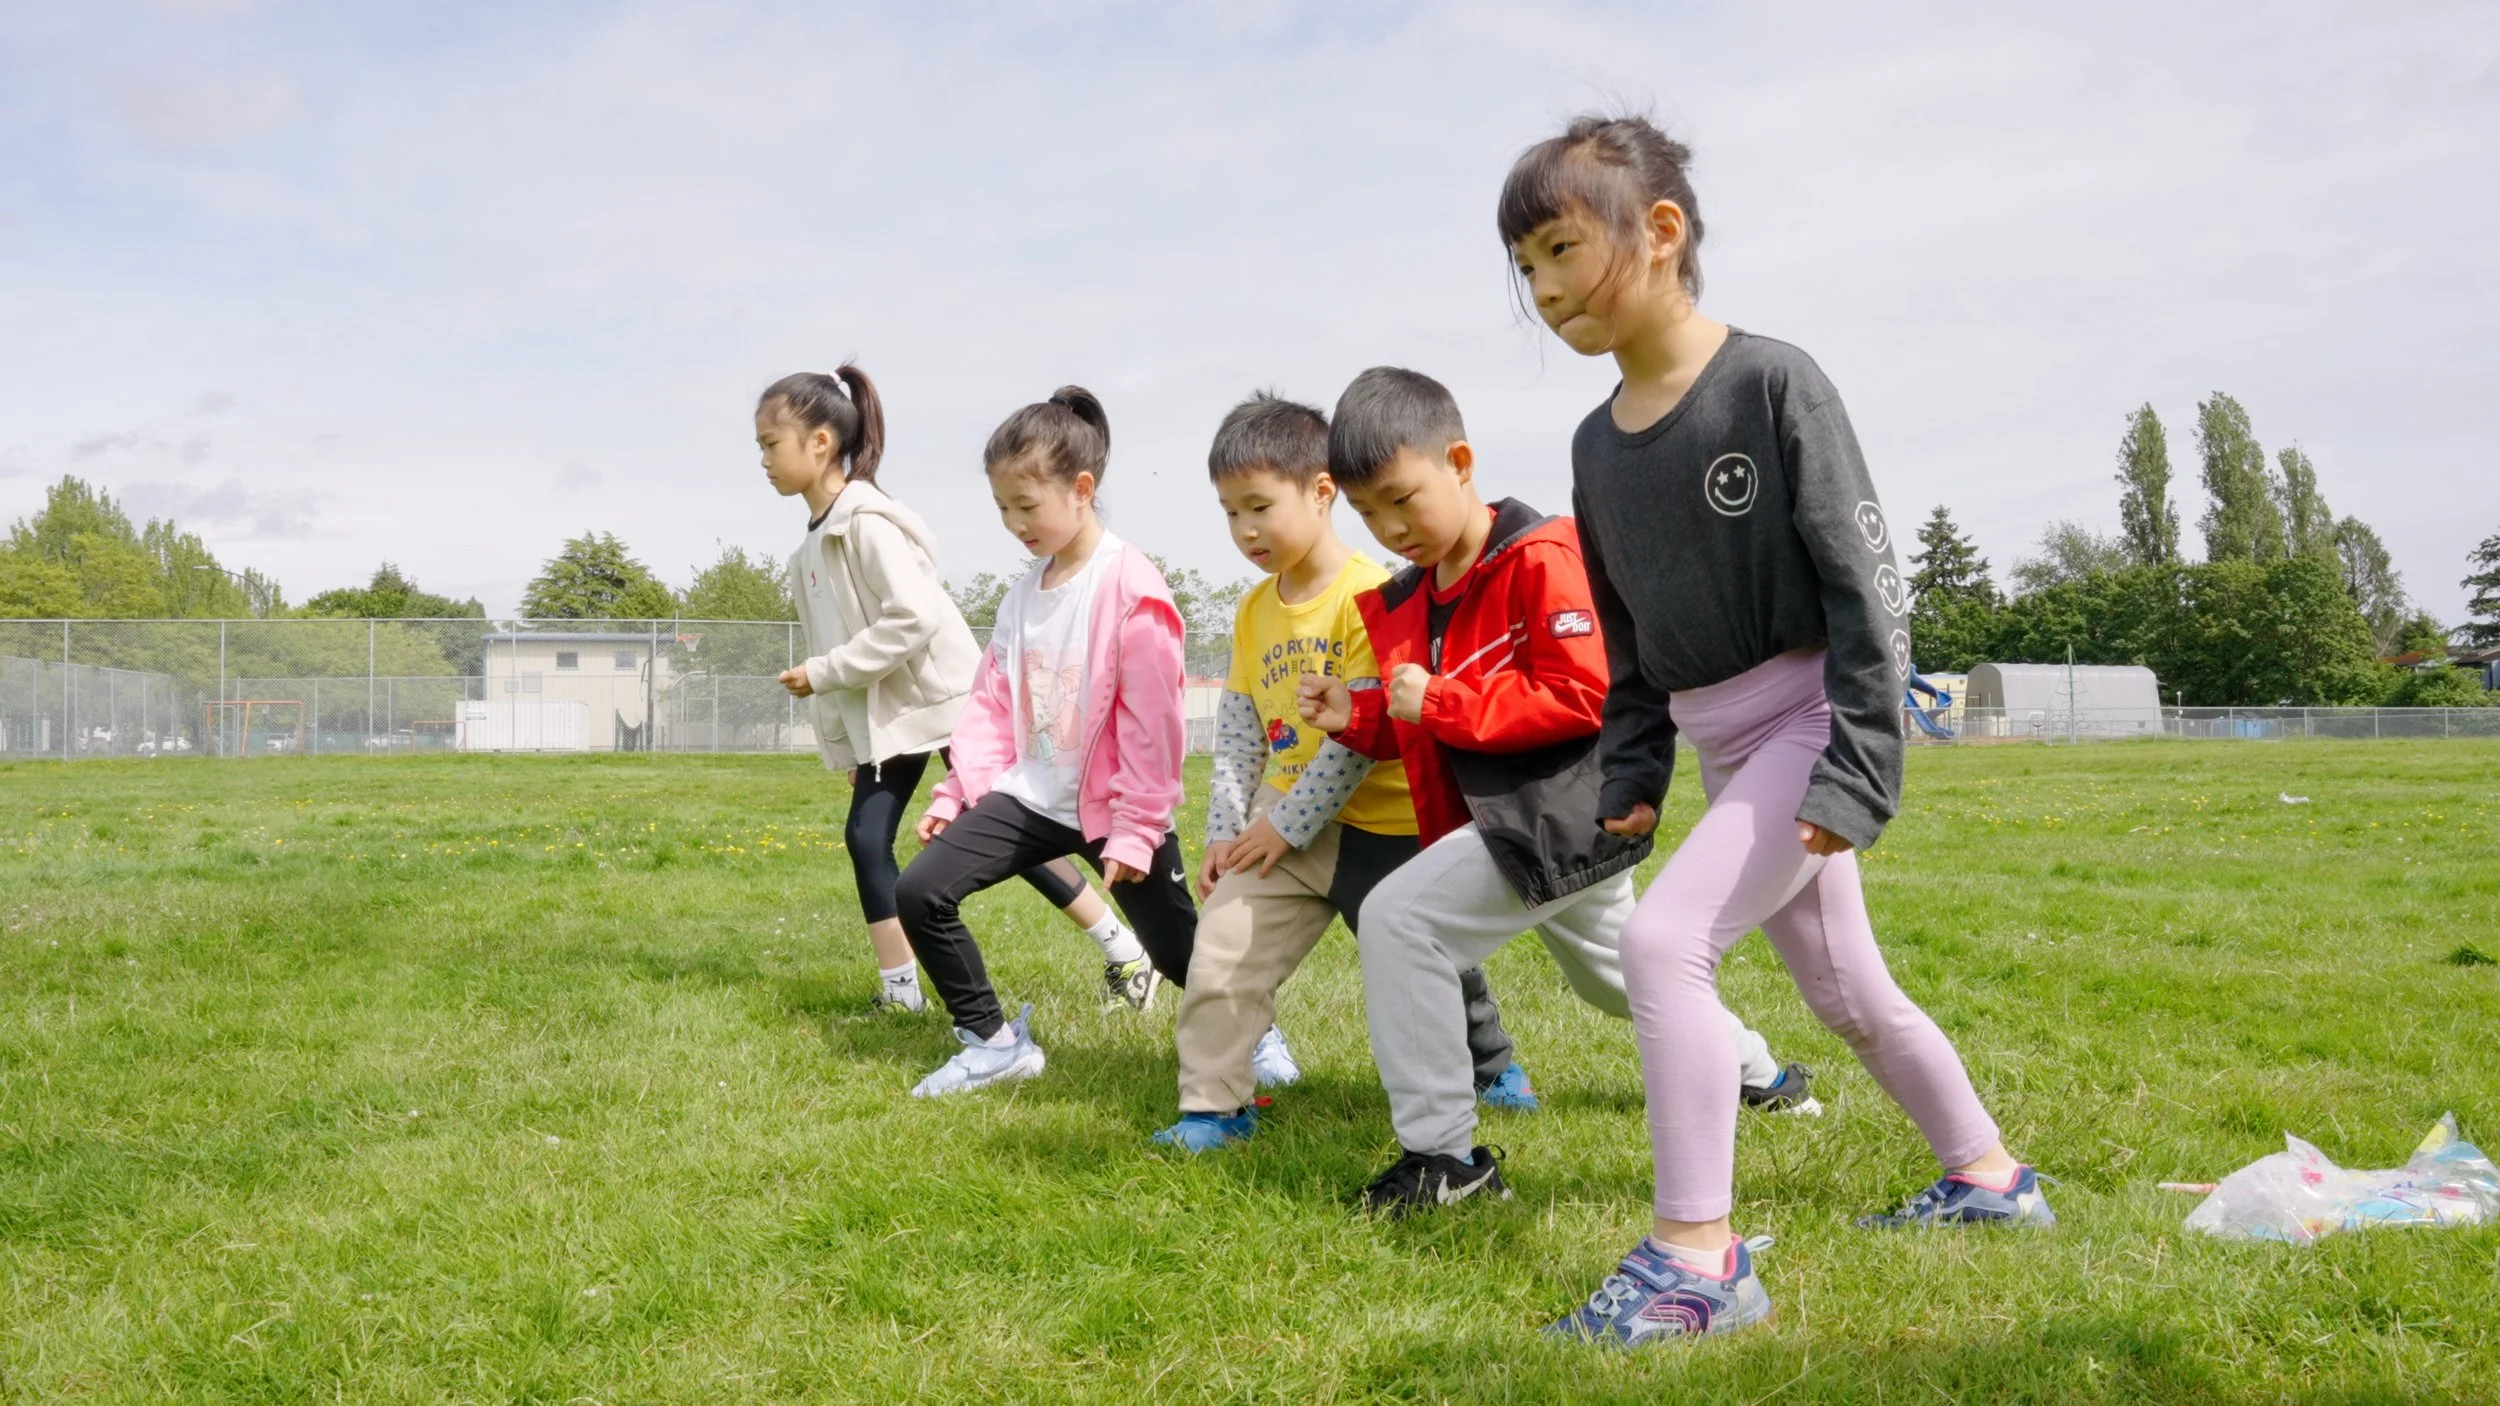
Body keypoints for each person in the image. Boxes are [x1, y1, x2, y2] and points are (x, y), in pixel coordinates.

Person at [1500, 115, 2051, 1348]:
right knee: (1848, 991)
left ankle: (1696, 1261)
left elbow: (1868, 590)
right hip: (1721, 744)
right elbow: (1625, 633)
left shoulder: (1771, 383)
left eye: (1560, 249)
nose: (1542, 289)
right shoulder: (1594, 444)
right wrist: (1637, 768)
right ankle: (1990, 1177)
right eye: (1523, 267)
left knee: (1661, 945)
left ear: (1660, 230)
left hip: (1809, 724)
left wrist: (1858, 767)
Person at [1298, 367, 1805, 1216]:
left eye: (1402, 499)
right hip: (1522, 822)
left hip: (1566, 811)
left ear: (1460, 462)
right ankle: (1762, 1074)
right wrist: (1358, 714)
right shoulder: (1411, 598)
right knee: (1619, 979)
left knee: (1400, 920)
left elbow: (1584, 693)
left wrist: (1441, 699)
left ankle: (1444, 1161)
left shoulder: (1543, 556)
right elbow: (1429, 722)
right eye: (1367, 514)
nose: (1390, 529)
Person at [1155, 393, 1535, 1155]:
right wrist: (1226, 831)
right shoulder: (1253, 610)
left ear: (1321, 491)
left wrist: (1281, 826)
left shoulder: (1376, 595)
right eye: (1230, 513)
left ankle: (1491, 1065)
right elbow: (1239, 730)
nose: (1245, 530)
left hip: (1382, 825)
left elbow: (1358, 742)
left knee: (1431, 965)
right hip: (1279, 827)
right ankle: (1215, 1108)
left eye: (1260, 506)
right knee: (1223, 949)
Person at [759, 368, 1153, 1017]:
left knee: (1008, 832)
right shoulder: (814, 543)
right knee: (867, 838)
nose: (764, 459)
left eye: (771, 443)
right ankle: (901, 991)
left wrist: (824, 672)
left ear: (821, 442)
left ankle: (1127, 951)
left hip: (949, 703)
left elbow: (911, 618)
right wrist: (856, 735)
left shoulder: (865, 524)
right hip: (894, 714)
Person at [894, 386, 1198, 1096]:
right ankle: (992, 1044)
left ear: (1081, 489)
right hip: (1032, 798)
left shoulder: (1132, 586)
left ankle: (1257, 1034)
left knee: (1179, 954)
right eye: (1002, 508)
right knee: (921, 892)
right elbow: (991, 703)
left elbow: (1154, 724)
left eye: (1026, 506)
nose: (1014, 524)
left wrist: (1137, 830)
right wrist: (957, 791)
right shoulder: (1023, 595)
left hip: (1115, 808)